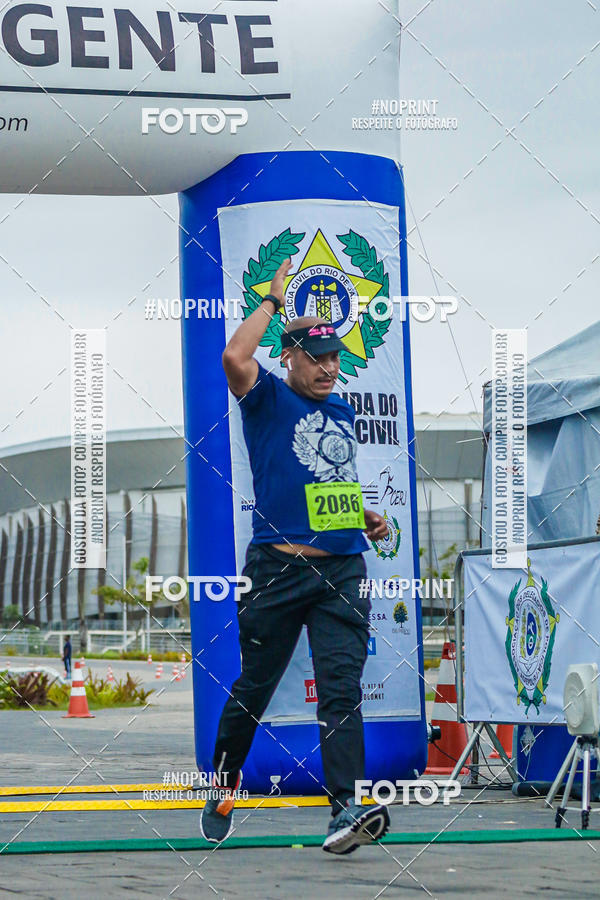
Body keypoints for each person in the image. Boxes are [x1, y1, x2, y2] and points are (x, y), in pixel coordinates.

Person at [200, 259, 391, 855]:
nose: (330, 368)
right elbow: (234, 359)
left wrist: (363, 516)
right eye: (318, 359)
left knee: (341, 691)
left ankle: (344, 813)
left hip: (341, 568)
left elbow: (326, 479)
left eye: (336, 358)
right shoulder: (266, 398)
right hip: (276, 570)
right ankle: (223, 785)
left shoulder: (341, 409)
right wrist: (275, 303)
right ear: (290, 358)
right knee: (254, 687)